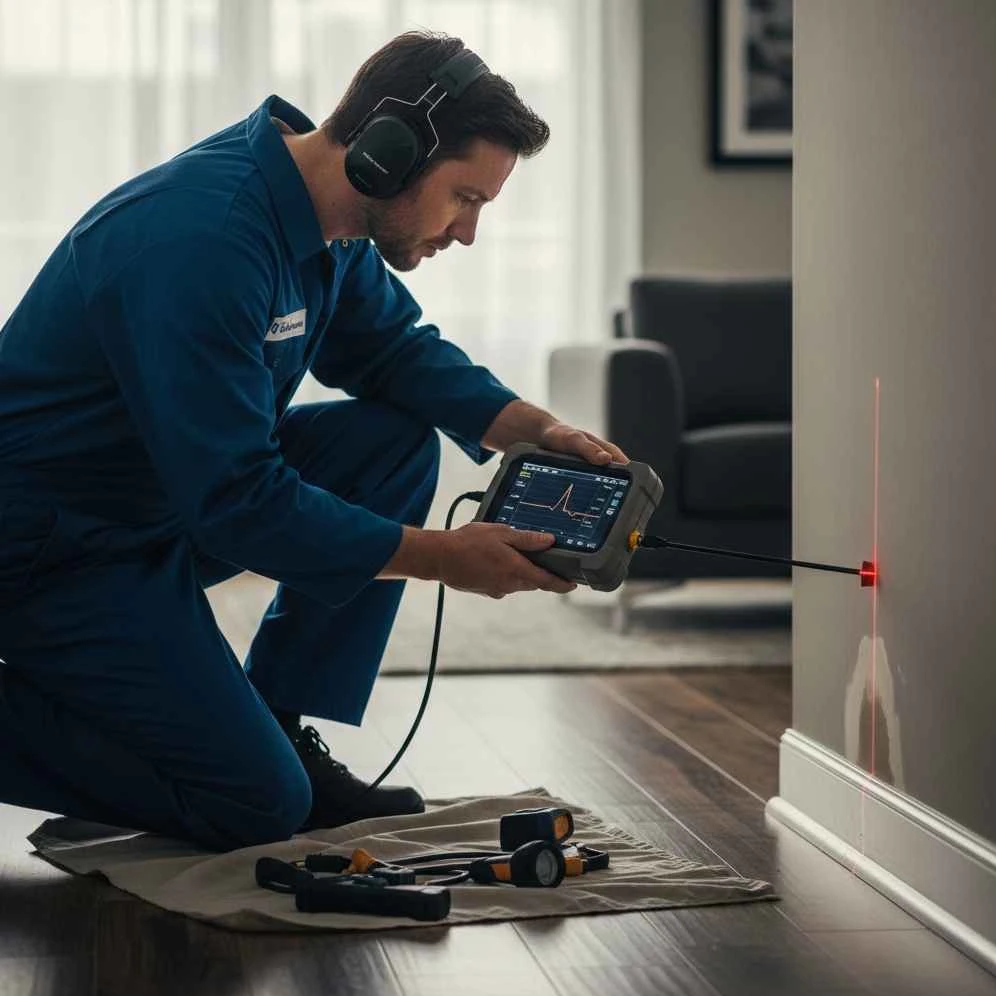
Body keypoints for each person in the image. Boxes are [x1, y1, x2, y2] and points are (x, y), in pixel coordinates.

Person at [0, 31, 626, 851]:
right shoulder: (203, 243)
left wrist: (538, 430)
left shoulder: (328, 222)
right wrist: (442, 558)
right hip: (54, 553)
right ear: (389, 154)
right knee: (256, 803)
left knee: (390, 445)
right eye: (466, 197)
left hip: (156, 506)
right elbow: (238, 502)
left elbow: (392, 352)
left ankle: (279, 721)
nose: (468, 232)